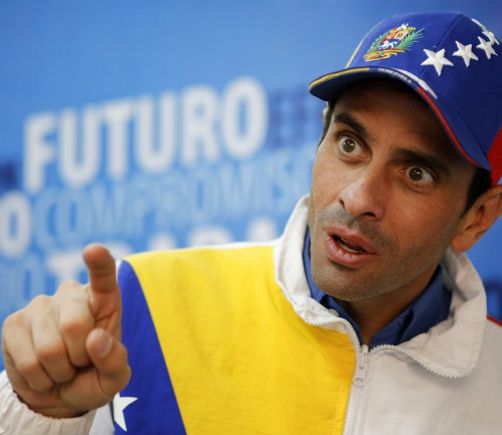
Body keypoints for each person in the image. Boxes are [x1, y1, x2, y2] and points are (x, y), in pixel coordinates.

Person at [1, 11, 502, 435]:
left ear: (477, 217)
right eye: (350, 144)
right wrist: (37, 409)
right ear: (322, 136)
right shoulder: (142, 306)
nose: (357, 198)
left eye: (416, 173)